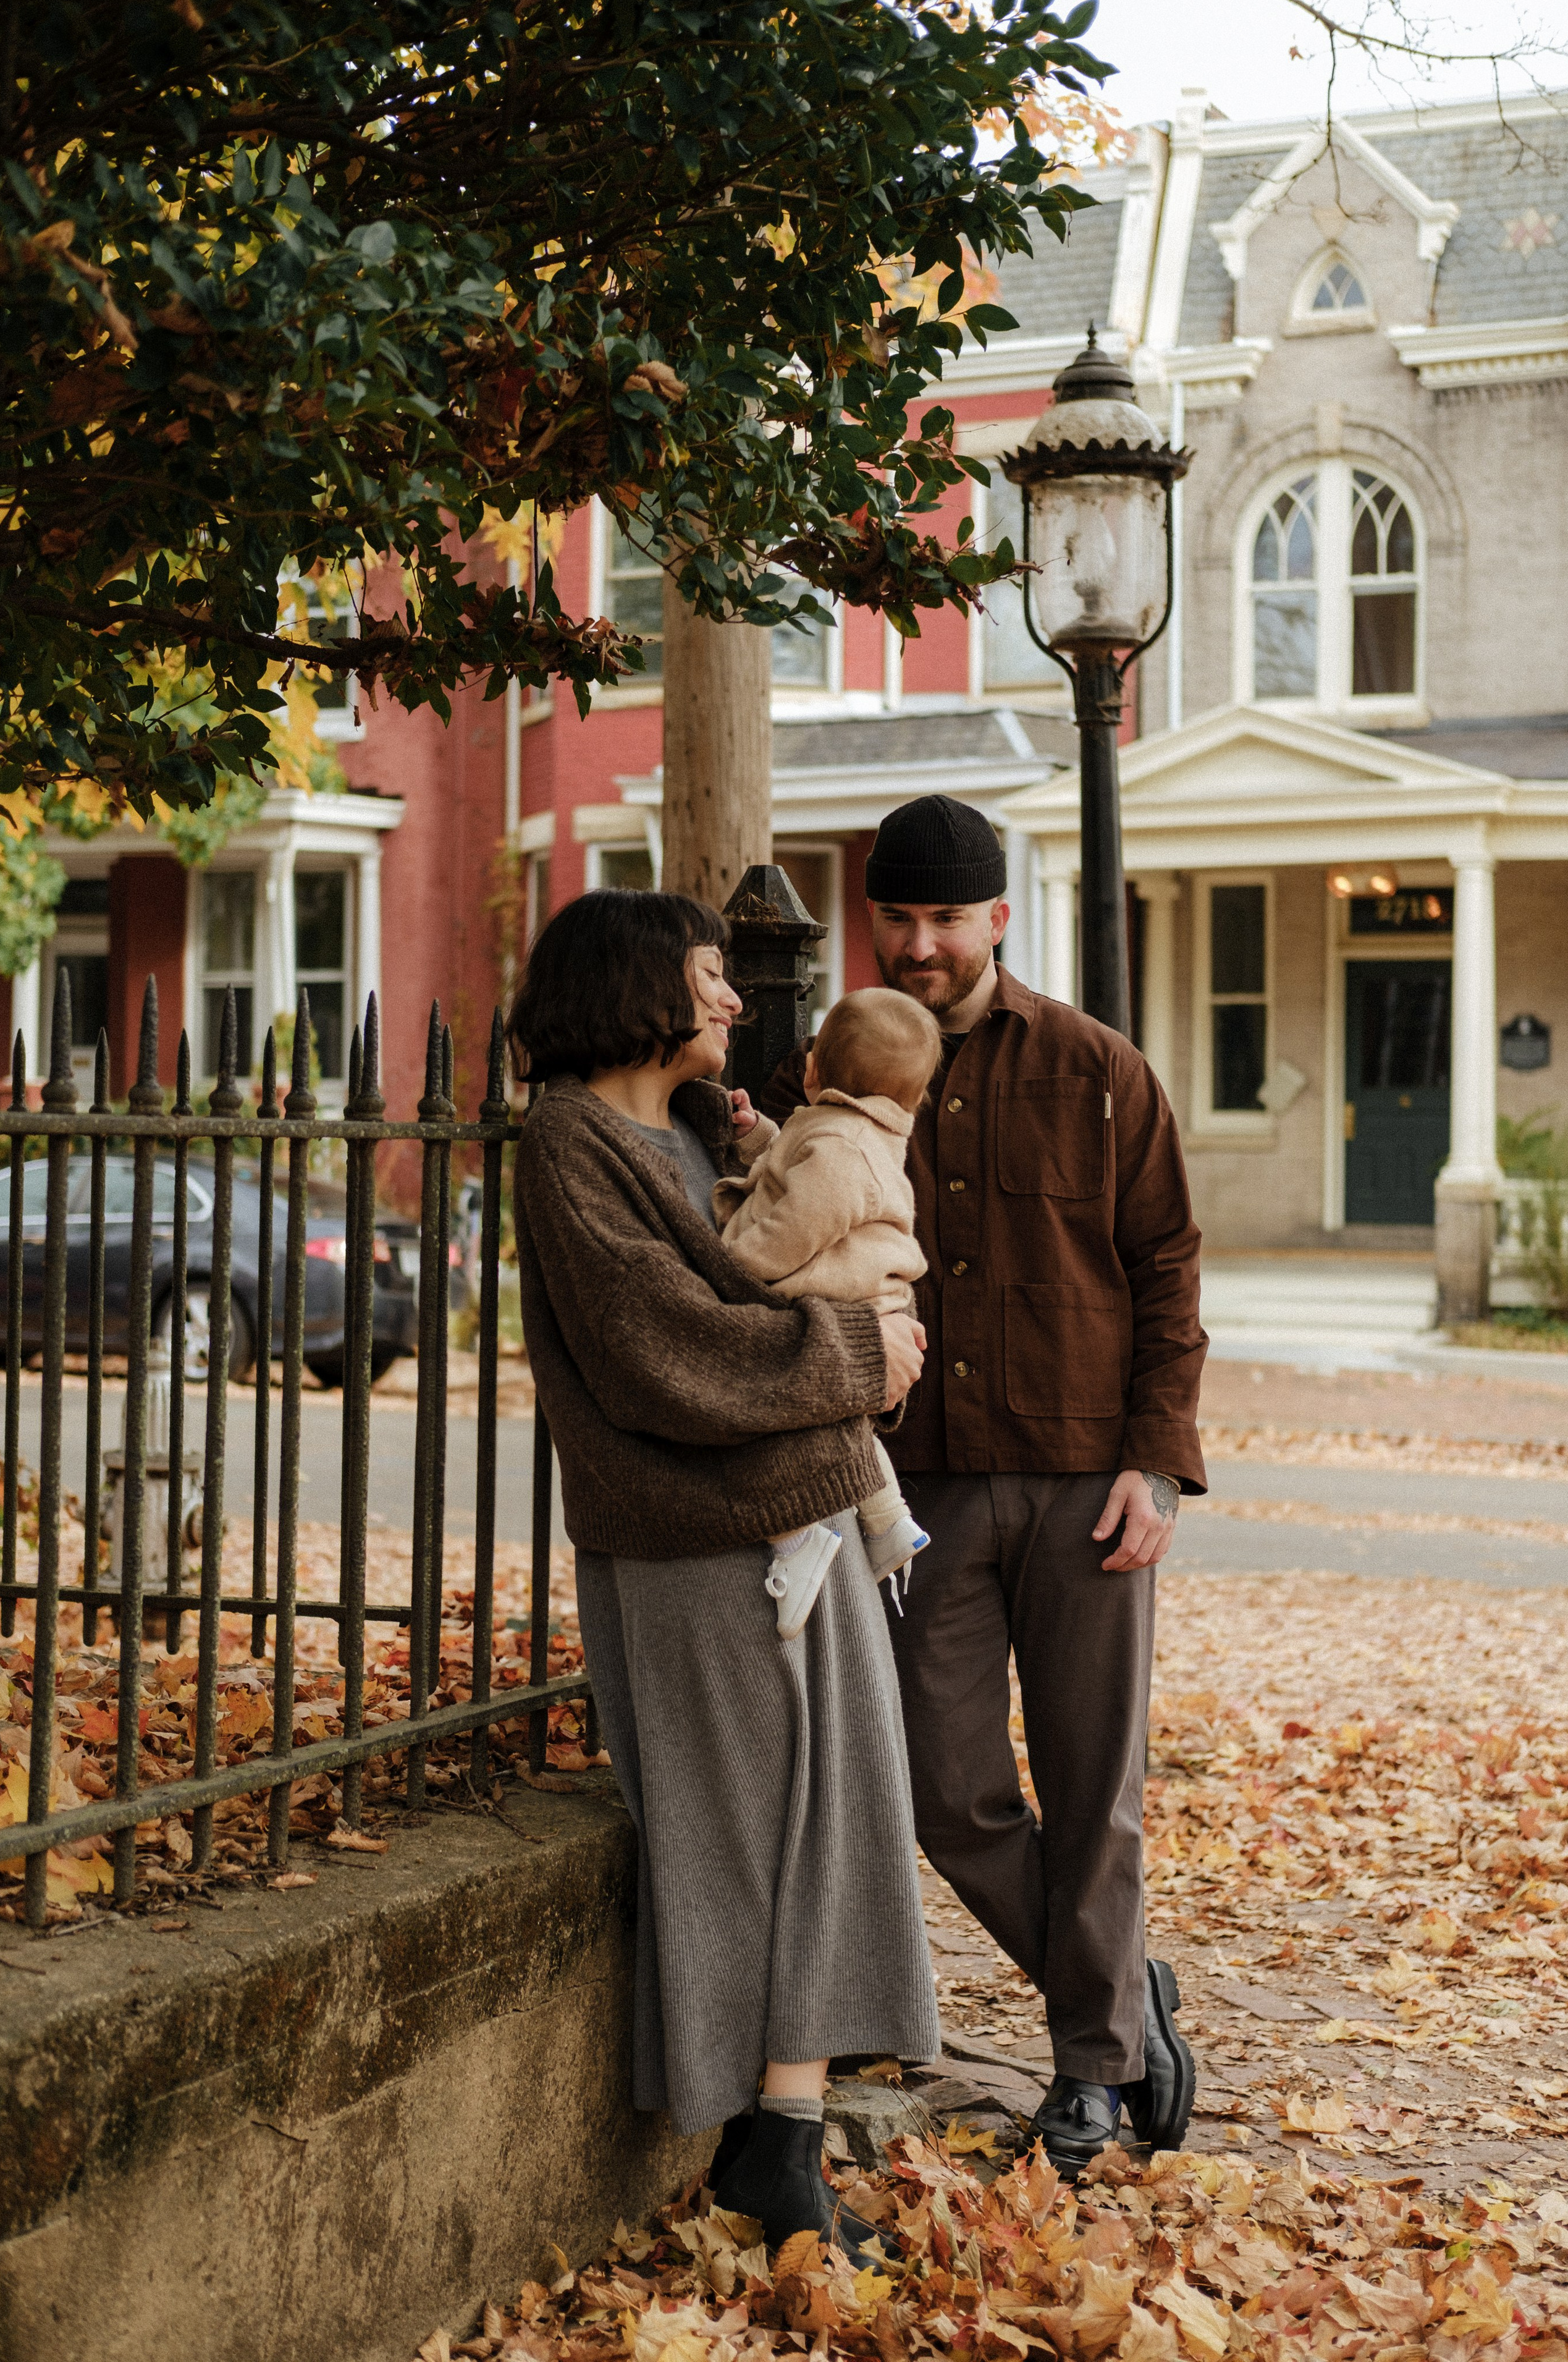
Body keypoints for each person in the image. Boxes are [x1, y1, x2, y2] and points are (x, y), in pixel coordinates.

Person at [762, 794, 1208, 2179]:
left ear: (996, 920)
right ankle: (1123, 1994)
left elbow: (1166, 1272)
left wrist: (1155, 1462)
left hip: (1085, 1481)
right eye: (894, 917)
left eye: (943, 919)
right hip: (919, 1489)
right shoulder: (830, 1074)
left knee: (1092, 1786)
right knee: (943, 1788)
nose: (915, 944)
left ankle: (1086, 2068)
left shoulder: (1096, 1071)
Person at [510, 887, 938, 2260]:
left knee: (842, 1812)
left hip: (793, 1504)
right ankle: (765, 2143)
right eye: (710, 977)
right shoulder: (571, 1144)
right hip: (691, 1543)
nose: (734, 1002)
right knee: (739, 1846)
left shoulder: (696, 1136)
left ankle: (786, 2137)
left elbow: (764, 1283)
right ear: (637, 984)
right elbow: (662, 1351)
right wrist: (861, 1358)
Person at [714, 986, 942, 1636]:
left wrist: (737, 1261)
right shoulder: (851, 1131)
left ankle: (797, 1541)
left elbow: (804, 1213)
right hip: (872, 1294)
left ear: (814, 1070)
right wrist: (758, 1135)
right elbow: (794, 1160)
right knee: (844, 1430)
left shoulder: (840, 1145)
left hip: (849, 1295)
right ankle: (890, 1521)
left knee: (784, 1425)